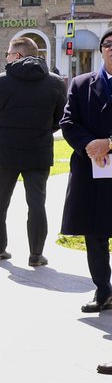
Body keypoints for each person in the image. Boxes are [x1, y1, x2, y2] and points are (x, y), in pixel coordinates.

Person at [0, 37, 65, 266]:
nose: (6, 57)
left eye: (8, 53)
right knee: (37, 203)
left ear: (17, 56)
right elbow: (58, 120)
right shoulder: (55, 83)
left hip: (7, 151)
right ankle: (36, 254)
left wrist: (4, 133)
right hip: (39, 150)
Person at [59, 29, 112, 315]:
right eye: (108, 44)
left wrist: (110, 144)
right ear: (101, 50)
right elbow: (68, 122)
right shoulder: (81, 84)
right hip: (92, 169)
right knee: (95, 233)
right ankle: (103, 291)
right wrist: (89, 144)